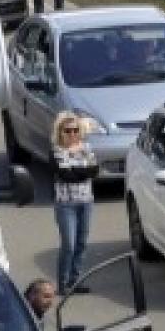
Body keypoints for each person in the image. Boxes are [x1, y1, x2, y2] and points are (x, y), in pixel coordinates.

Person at [50, 112, 98, 294]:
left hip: (86, 202)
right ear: (60, 132)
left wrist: (78, 171)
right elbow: (65, 175)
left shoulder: (86, 148)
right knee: (68, 244)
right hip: (65, 205)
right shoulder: (56, 151)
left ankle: (75, 280)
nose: (71, 134)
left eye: (75, 130)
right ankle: (62, 284)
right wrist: (82, 171)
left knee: (81, 243)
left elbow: (94, 170)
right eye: (67, 131)